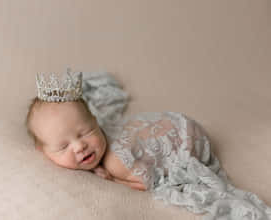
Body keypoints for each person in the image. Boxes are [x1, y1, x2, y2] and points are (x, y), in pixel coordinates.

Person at [25, 69, 271, 220]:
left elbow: (146, 183)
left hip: (186, 136)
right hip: (171, 120)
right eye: (63, 147)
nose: (79, 147)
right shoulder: (75, 146)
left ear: (96, 121)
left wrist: (112, 179)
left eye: (87, 131)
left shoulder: (115, 161)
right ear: (43, 152)